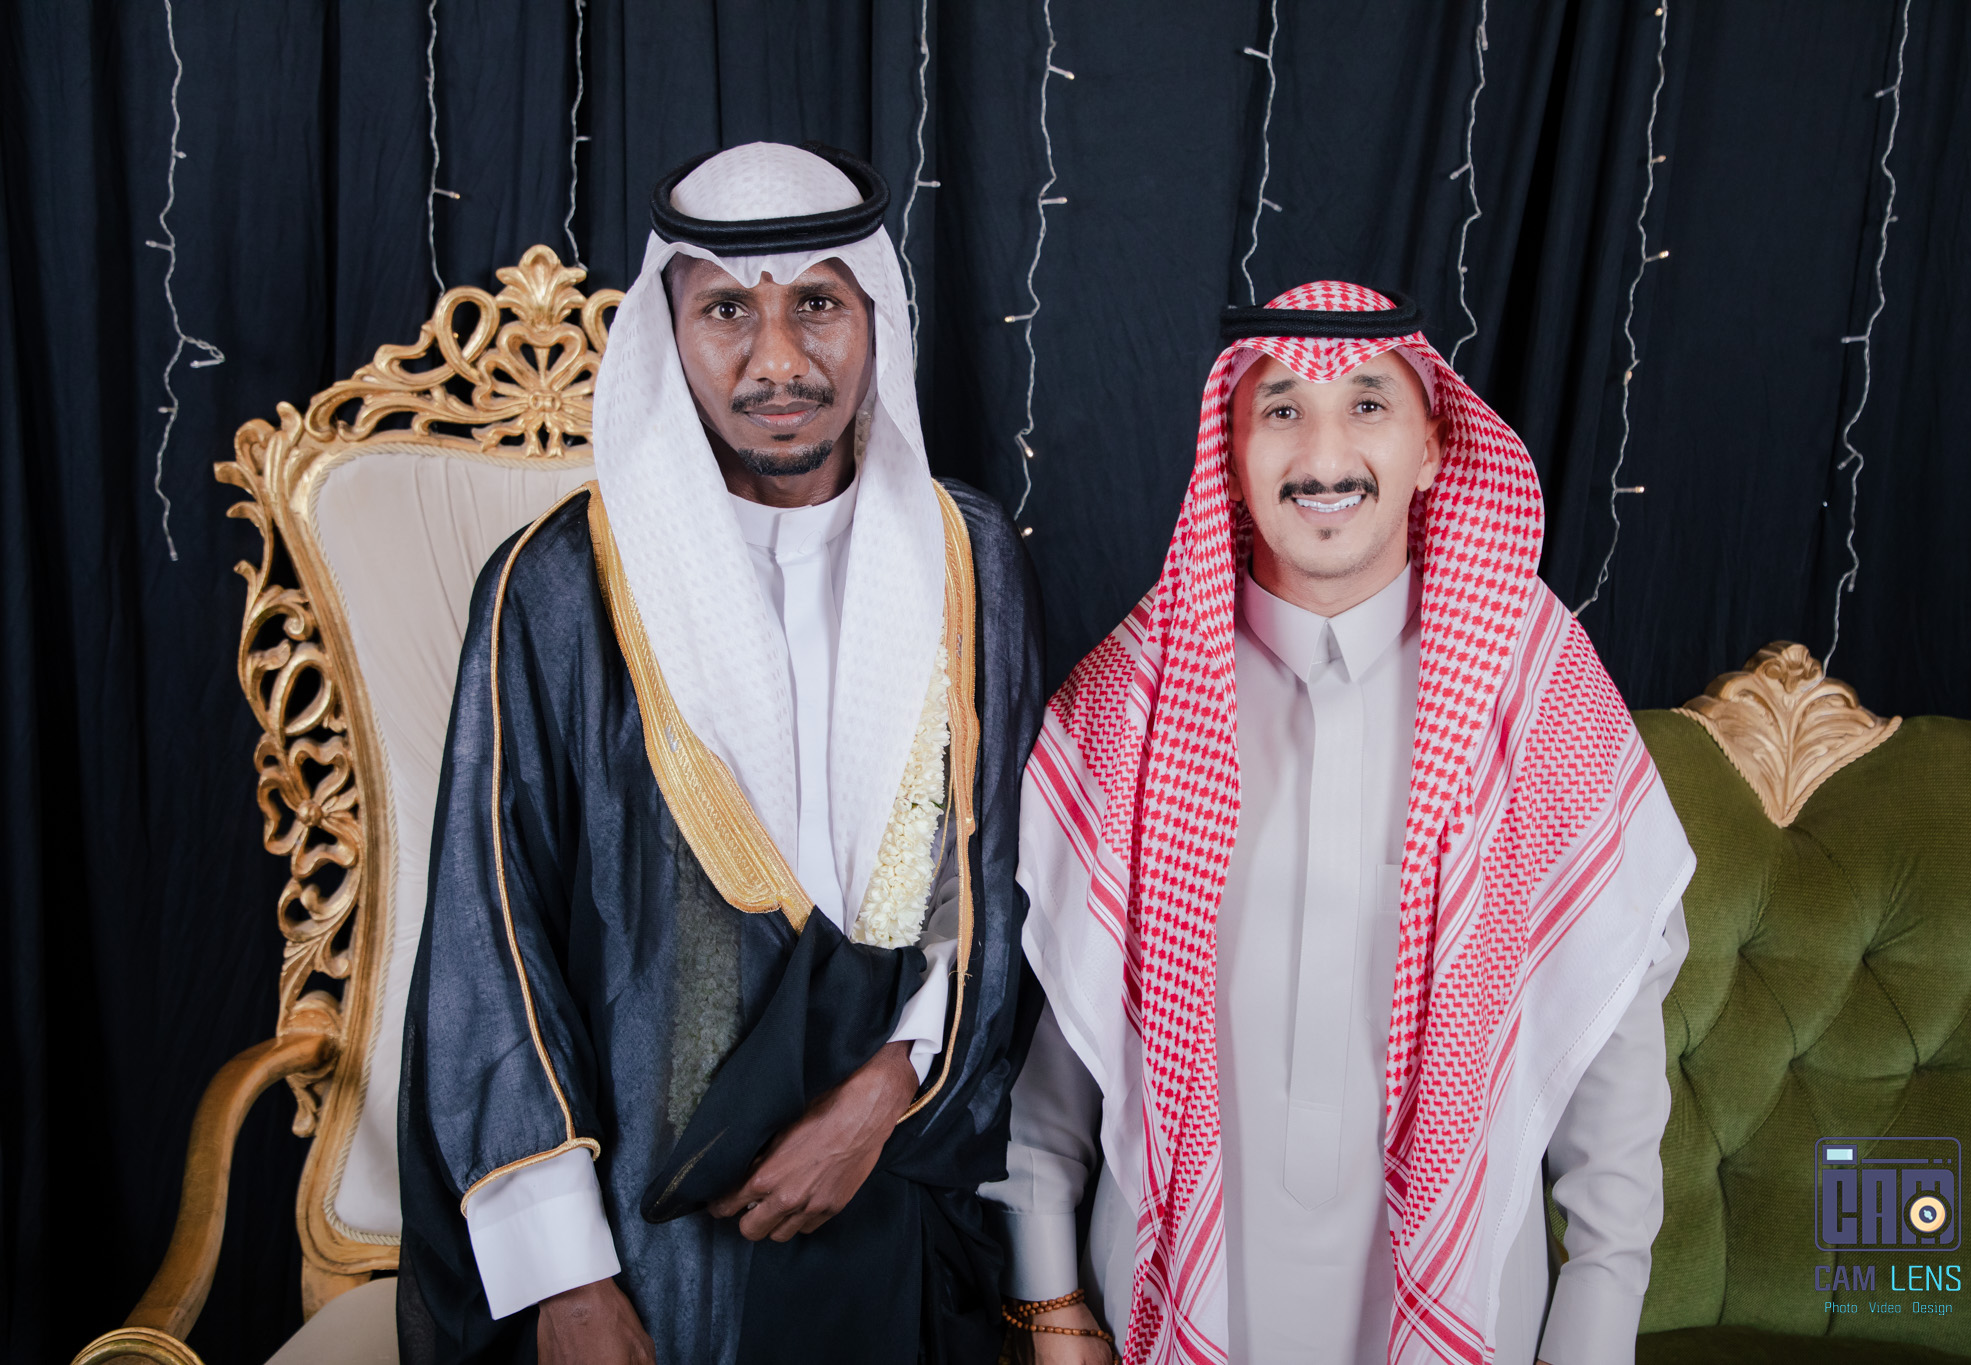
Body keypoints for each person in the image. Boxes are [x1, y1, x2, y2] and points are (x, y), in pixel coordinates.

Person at [396, 141, 1043, 1364]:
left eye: (817, 305)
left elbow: (996, 880)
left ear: (874, 316)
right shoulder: (557, 586)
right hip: (646, 1236)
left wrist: (888, 1088)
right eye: (728, 311)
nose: (778, 362)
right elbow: (493, 934)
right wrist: (565, 1280)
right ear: (669, 331)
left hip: (891, 1180)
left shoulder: (967, 561)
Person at [982, 283, 1695, 1365]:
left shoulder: (1536, 692)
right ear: (1228, 455)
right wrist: (1049, 1300)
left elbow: (1614, 1057)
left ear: (1432, 449)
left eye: (1367, 404)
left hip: (1464, 1318)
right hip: (1164, 1311)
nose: (1323, 455)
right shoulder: (1130, 702)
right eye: (1281, 409)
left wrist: (1590, 1339)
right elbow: (1060, 1044)